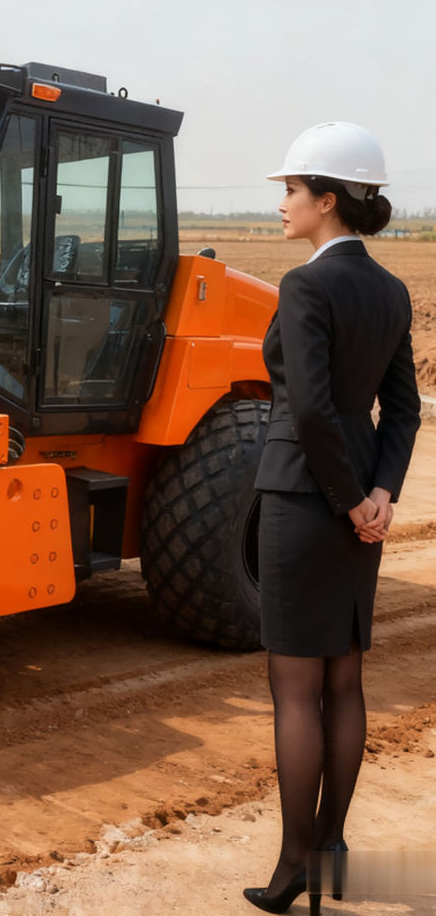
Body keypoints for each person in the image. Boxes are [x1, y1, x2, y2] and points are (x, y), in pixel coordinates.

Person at [244, 122, 421, 914]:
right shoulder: (390, 291)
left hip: (303, 497)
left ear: (327, 199)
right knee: (344, 680)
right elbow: (404, 409)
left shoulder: (305, 286)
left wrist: (349, 500)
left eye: (291, 189)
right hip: (358, 505)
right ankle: (332, 849)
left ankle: (294, 867)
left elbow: (311, 410)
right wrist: (379, 494)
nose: (282, 203)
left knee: (295, 689)